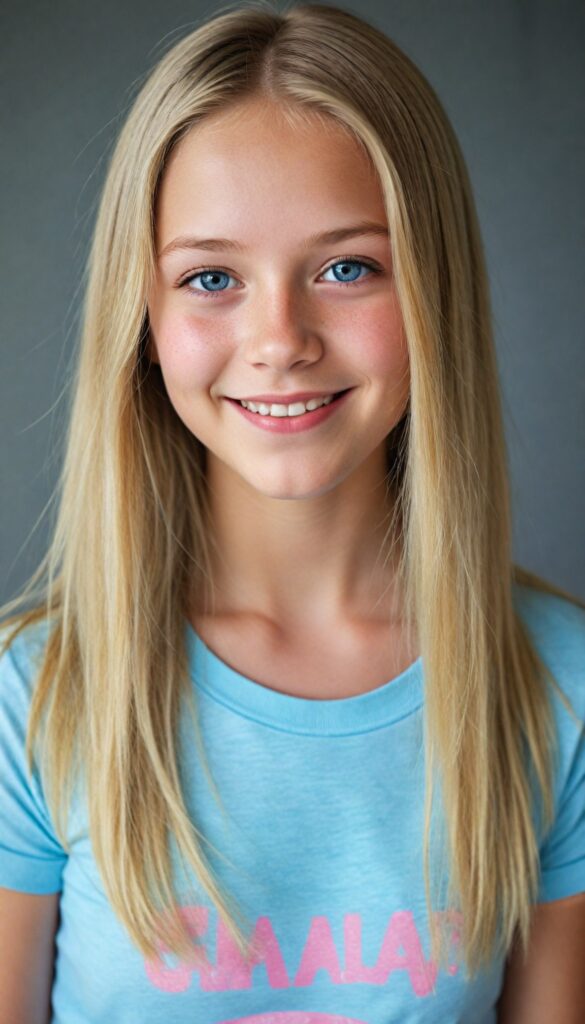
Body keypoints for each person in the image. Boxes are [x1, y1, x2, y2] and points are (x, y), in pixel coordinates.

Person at [1, 1, 584, 1021]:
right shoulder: (34, 700)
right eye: (211, 276)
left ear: (433, 288)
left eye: (346, 267)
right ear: (143, 320)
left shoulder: (558, 687)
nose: (279, 338)